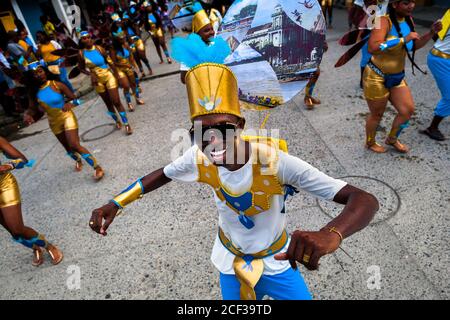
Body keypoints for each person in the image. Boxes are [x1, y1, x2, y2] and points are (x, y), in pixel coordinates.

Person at [89, 36, 379, 301]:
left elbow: (364, 199)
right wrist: (117, 202)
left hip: (277, 262)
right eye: (201, 132)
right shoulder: (198, 157)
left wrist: (332, 233)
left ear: (240, 125)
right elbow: (161, 175)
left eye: (223, 128)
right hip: (230, 264)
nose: (212, 140)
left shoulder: (274, 162)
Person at [363, 0, 442, 153]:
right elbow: (373, 47)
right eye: (406, 3)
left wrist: (430, 33)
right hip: (376, 76)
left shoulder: (408, 20)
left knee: (407, 110)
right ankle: (370, 142)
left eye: (412, 2)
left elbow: (413, 46)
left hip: (397, 76)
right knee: (377, 114)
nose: (411, 6)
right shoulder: (383, 21)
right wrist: (401, 40)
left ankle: (392, 139)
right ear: (394, 4)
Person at [24, 62, 104, 180]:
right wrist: (26, 115)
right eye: (35, 74)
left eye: (40, 71)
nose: (39, 75)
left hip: (67, 117)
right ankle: (78, 160)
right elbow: (32, 109)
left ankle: (97, 168)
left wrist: (69, 103)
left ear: (45, 71)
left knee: (74, 145)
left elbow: (76, 100)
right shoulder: (33, 93)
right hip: (54, 123)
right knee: (68, 148)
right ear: (32, 77)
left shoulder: (57, 85)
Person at [0, 136, 63, 266]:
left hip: (4, 186)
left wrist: (9, 165)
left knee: (17, 229)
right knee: (13, 233)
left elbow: (22, 160)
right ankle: (35, 247)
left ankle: (48, 246)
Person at [77, 31, 133, 135]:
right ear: (81, 41)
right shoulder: (81, 54)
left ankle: (126, 123)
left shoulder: (99, 48)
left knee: (116, 101)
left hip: (108, 76)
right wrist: (90, 73)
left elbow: (110, 63)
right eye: (84, 38)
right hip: (97, 81)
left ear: (91, 38)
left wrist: (118, 77)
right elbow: (80, 68)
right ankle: (116, 120)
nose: (87, 39)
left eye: (89, 37)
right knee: (108, 103)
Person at [421, 14, 450, 141]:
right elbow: (436, 33)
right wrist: (442, 46)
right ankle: (432, 128)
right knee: (449, 96)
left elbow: (437, 36)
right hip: (440, 60)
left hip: (443, 57)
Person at [110, 30, 145, 111]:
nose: (124, 40)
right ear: (117, 40)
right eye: (121, 39)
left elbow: (131, 57)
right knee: (126, 86)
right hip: (120, 69)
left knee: (133, 84)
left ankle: (137, 99)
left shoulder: (126, 45)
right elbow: (114, 62)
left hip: (129, 67)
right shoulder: (113, 49)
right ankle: (129, 103)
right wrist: (124, 66)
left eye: (124, 38)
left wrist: (136, 67)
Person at [122, 12, 153, 77]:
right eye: (124, 20)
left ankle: (149, 68)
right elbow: (125, 37)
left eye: (126, 19)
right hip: (130, 43)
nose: (125, 21)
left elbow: (138, 34)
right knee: (136, 57)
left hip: (137, 40)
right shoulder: (124, 29)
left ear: (129, 19)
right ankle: (142, 71)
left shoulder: (134, 25)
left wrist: (134, 38)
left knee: (142, 56)